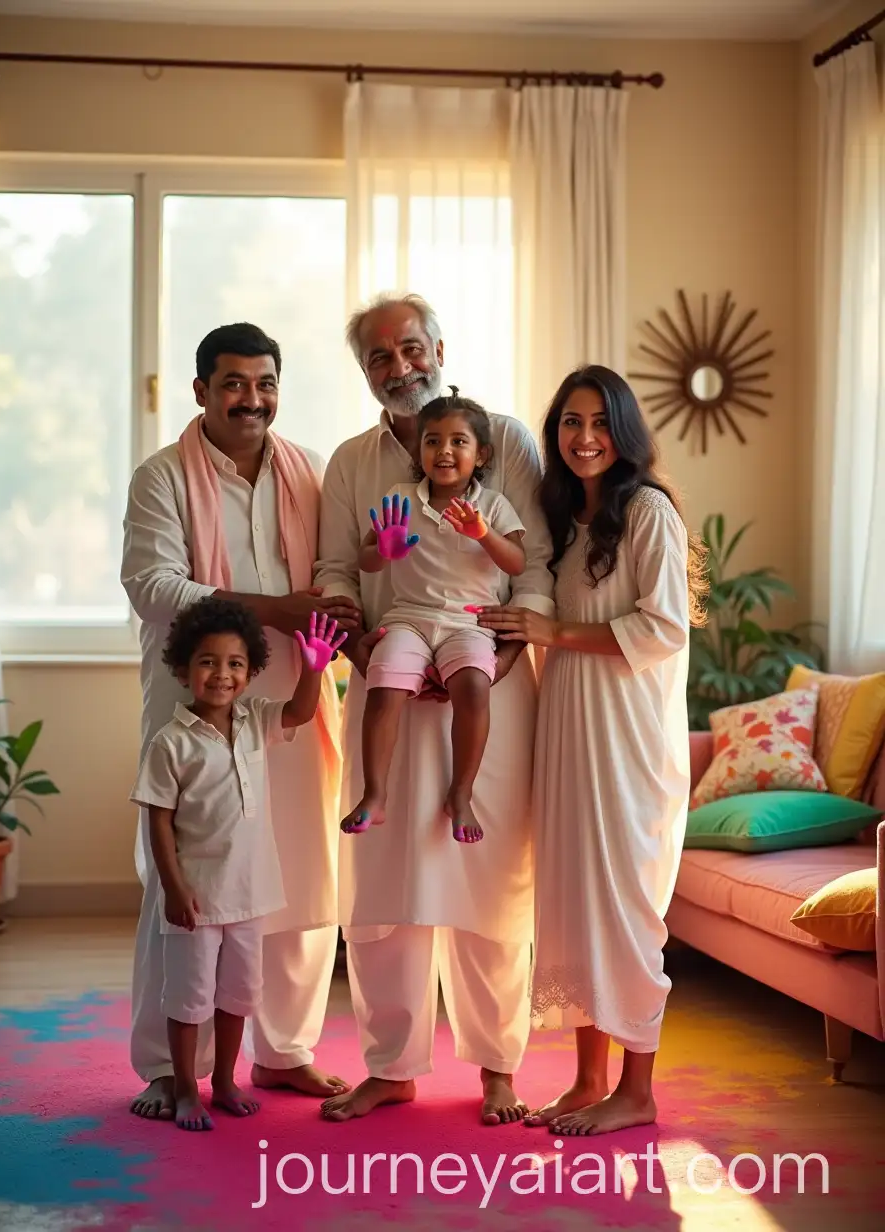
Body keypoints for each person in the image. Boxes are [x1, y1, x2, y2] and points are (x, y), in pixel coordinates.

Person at [313, 292, 555, 1124]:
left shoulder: (506, 440)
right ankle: (391, 1065)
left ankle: (497, 1068)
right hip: (387, 677)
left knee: (490, 886)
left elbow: (537, 565)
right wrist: (353, 638)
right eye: (380, 357)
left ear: (440, 348)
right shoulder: (351, 462)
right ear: (367, 374)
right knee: (383, 888)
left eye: (411, 348)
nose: (400, 367)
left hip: (485, 689)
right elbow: (336, 570)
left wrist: (503, 649)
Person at [121, 322, 362, 1122]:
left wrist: (332, 614)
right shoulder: (162, 477)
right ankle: (167, 1066)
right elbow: (153, 585)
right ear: (200, 391)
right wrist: (275, 610)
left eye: (263, 383)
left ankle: (284, 1050)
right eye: (232, 383)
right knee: (180, 883)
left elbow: (333, 572)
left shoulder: (309, 472)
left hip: (292, 695)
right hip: (193, 704)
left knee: (292, 868)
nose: (250, 399)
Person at [476, 365, 708, 1136]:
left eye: (599, 424)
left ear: (625, 432)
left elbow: (665, 627)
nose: (583, 439)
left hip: (628, 739)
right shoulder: (566, 522)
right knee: (574, 899)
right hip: (569, 728)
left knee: (625, 908)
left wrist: (553, 634)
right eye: (570, 424)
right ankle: (588, 1078)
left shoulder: (648, 513)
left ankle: (636, 1092)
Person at [131, 598, 345, 1131]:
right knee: (188, 1000)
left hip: (250, 897)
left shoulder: (255, 720)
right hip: (197, 899)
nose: (221, 674)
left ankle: (225, 1081)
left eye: (234, 664)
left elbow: (297, 711)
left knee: (237, 996)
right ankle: (185, 1088)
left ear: (250, 674)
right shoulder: (171, 743)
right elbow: (158, 822)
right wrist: (174, 890)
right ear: (182, 669)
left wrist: (316, 669)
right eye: (207, 662)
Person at [344, 386, 526, 844]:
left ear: (481, 453)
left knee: (473, 689)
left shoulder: (493, 505)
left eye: (458, 442)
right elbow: (365, 559)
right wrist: (382, 550)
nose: (444, 450)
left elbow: (518, 563)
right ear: (419, 449)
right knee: (383, 687)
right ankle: (374, 795)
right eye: (432, 441)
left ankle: (460, 794)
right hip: (408, 616)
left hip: (469, 621)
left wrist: (484, 533)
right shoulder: (399, 496)